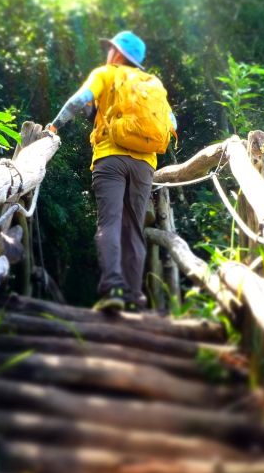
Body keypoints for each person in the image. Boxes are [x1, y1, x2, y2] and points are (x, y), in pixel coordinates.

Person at [46, 30, 177, 312]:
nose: (107, 53)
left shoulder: (106, 73)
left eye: (110, 49)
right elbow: (172, 123)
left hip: (110, 158)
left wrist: (54, 126)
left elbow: (78, 100)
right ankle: (134, 296)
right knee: (134, 229)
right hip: (145, 165)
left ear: (117, 54)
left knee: (109, 224)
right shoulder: (151, 83)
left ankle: (113, 288)